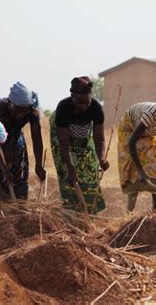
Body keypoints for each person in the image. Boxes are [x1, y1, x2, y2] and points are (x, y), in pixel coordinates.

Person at [0, 82, 46, 208]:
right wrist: (4, 168)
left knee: (19, 181)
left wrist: (39, 165)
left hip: (15, 144)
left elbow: (37, 138)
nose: (21, 113)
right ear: (10, 103)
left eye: (24, 110)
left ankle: (18, 215)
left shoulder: (31, 111)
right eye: (18, 109)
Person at [50, 76, 109, 214]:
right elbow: (64, 143)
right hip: (62, 139)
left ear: (91, 97)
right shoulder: (63, 107)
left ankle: (89, 212)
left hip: (83, 136)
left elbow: (99, 139)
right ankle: (71, 213)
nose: (83, 106)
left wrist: (101, 158)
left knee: (89, 170)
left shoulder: (95, 108)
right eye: (79, 102)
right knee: (68, 175)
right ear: (73, 96)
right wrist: (70, 167)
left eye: (86, 102)